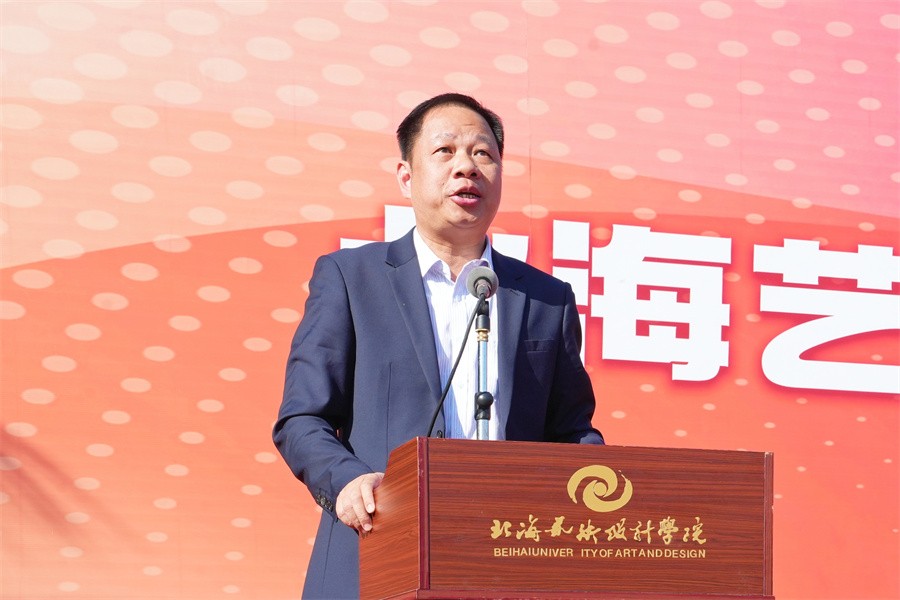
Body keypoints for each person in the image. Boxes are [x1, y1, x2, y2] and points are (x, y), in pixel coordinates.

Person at [273, 93, 604, 599]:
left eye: (482, 153)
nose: (466, 167)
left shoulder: (546, 298)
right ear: (406, 177)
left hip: (505, 566)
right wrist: (347, 482)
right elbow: (302, 418)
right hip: (375, 552)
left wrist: (605, 486)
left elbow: (571, 432)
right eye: (445, 151)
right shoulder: (351, 278)